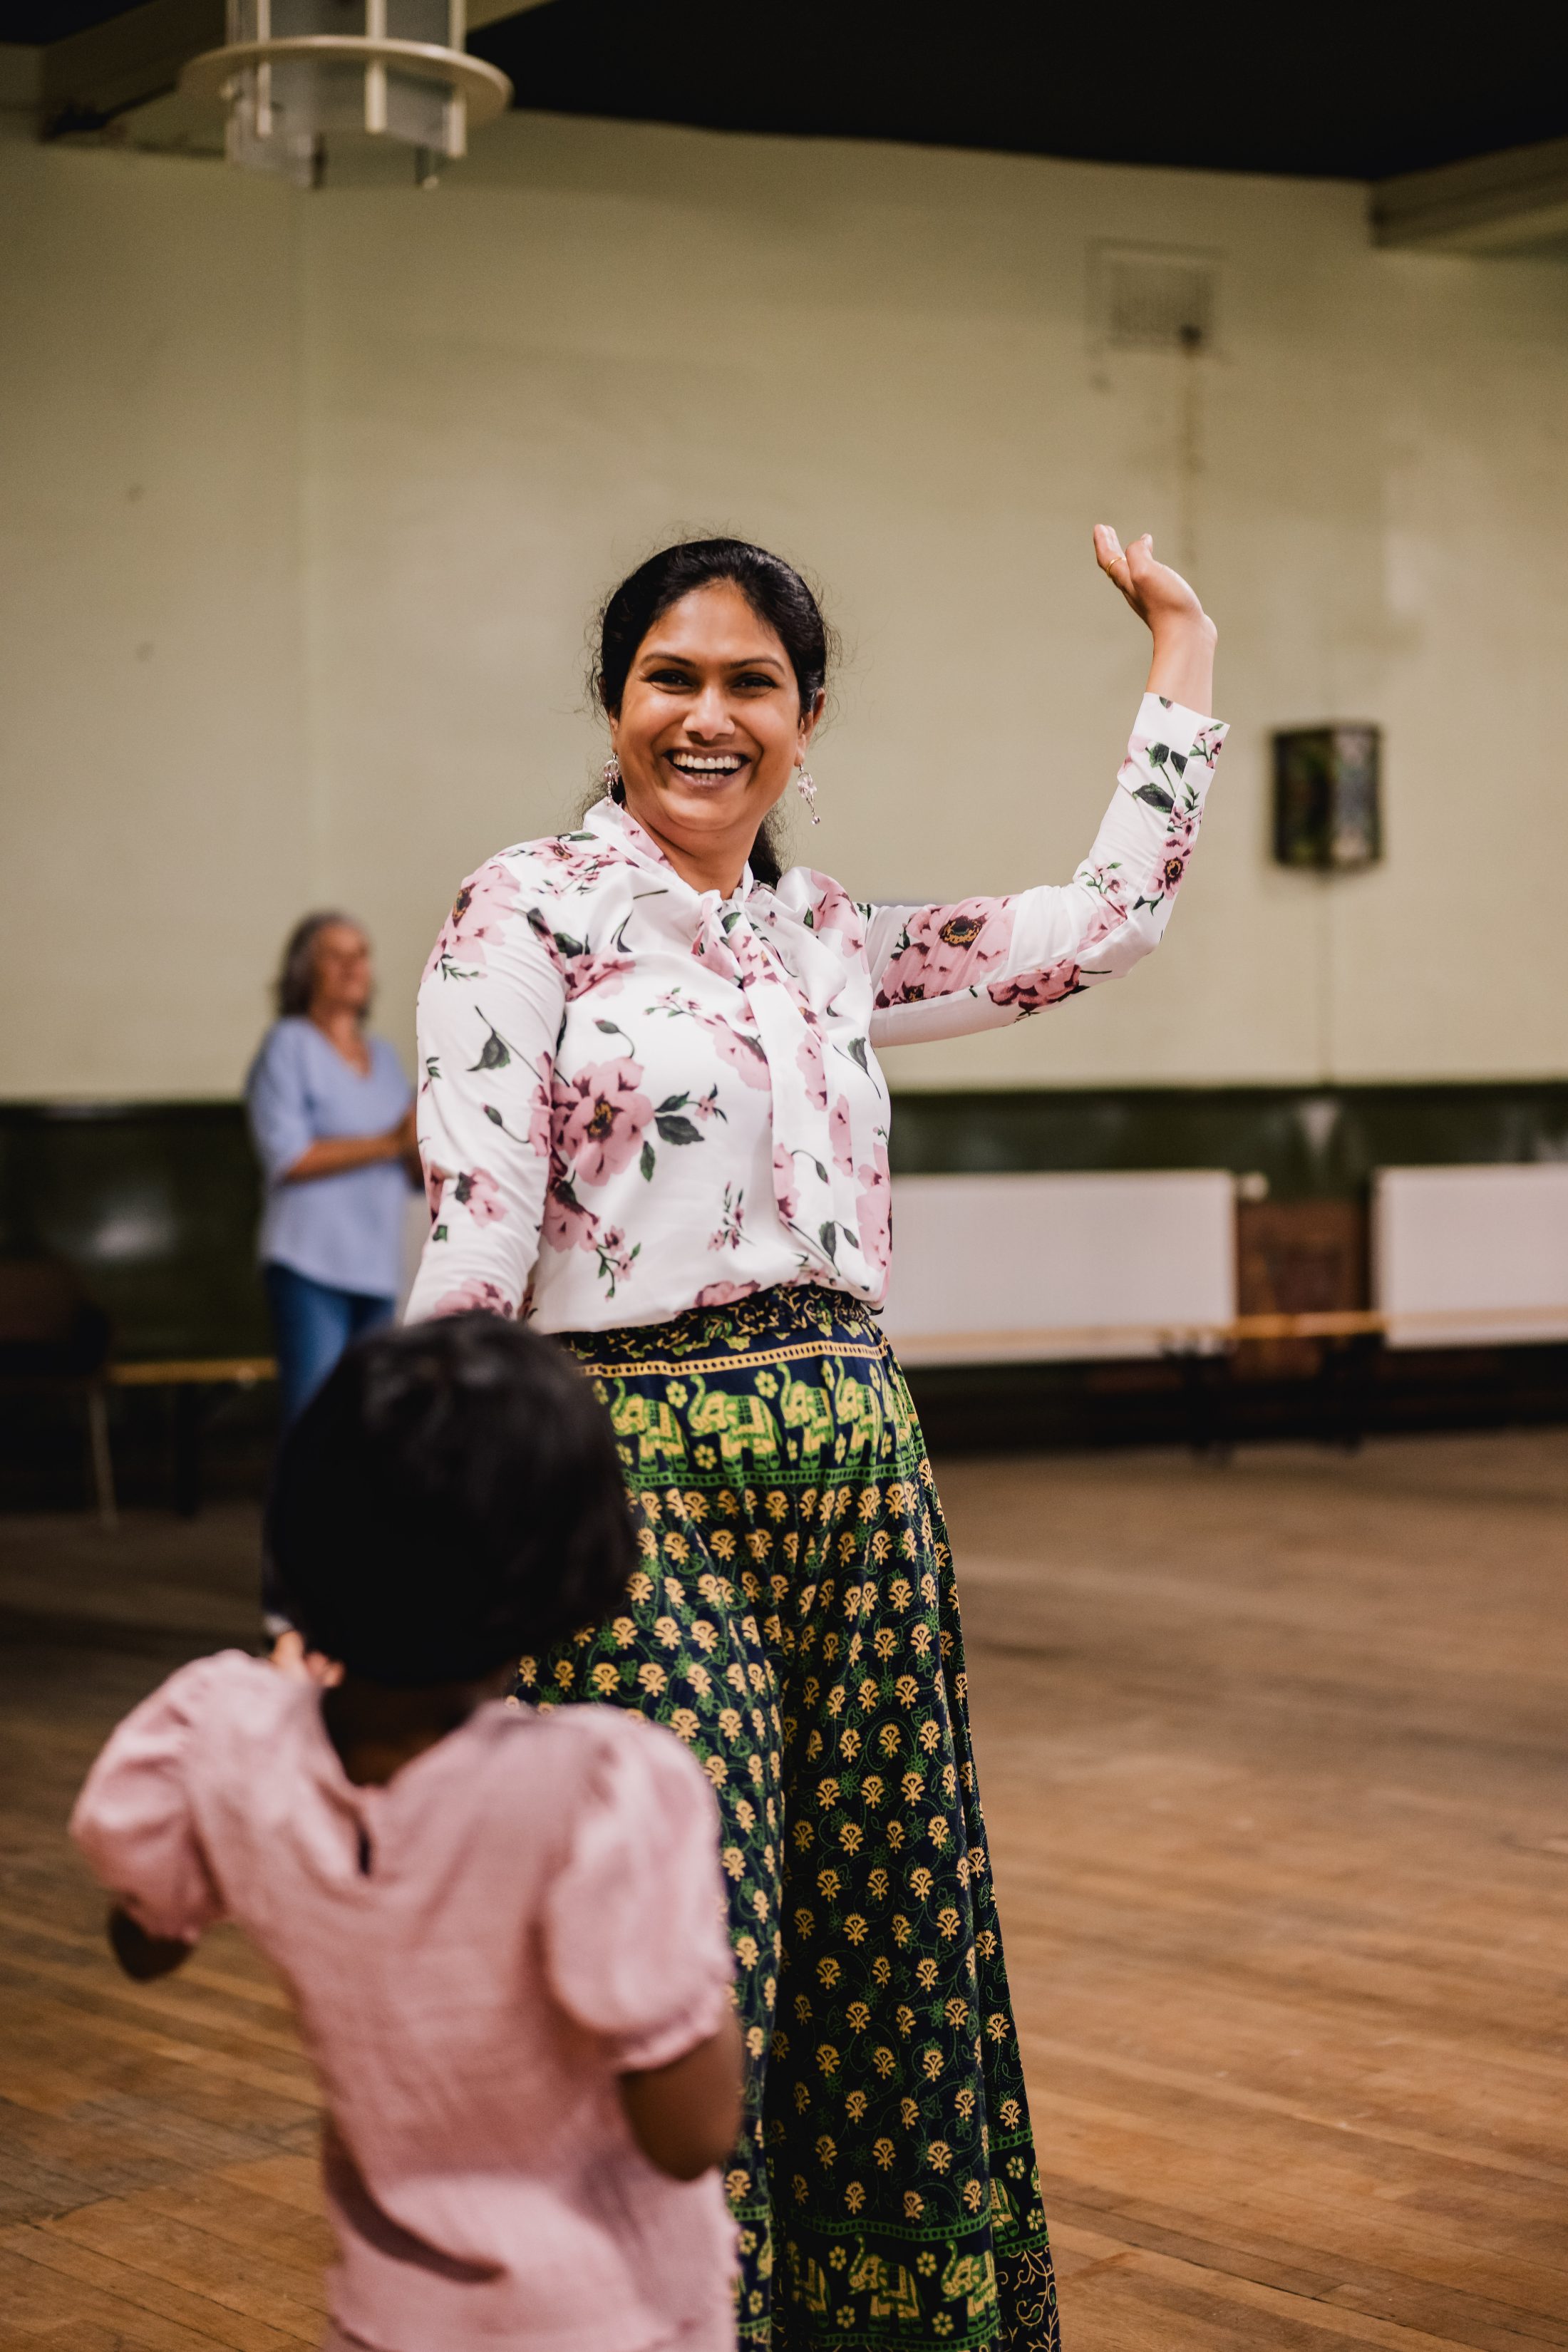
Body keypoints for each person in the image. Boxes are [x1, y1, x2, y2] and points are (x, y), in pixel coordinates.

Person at [404, 527, 1226, 2352]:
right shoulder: (525, 912)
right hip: (630, 1488)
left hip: (862, 1480)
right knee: (683, 1948)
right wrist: (374, 1544)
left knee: (885, 1937)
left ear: (805, 718)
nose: (707, 717)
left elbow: (1105, 922)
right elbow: (471, 1242)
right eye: (669, 679)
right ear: (615, 705)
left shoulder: (832, 942)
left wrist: (1180, 650)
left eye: (748, 683)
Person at [71, 1316, 744, 2352]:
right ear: (572, 1556)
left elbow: (146, 1938)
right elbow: (692, 2133)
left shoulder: (220, 1733)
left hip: (390, 2307)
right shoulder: (599, 1791)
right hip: (612, 2315)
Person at [246, 912, 420, 1428]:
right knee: (313, 1418)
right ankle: (297, 1513)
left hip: (379, 1264)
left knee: (367, 1423)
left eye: (361, 954)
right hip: (310, 1264)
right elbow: (288, 1156)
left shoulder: (386, 1058)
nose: (352, 967)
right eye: (335, 955)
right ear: (305, 971)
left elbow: (407, 1167)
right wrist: (389, 1142)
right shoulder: (288, 1045)